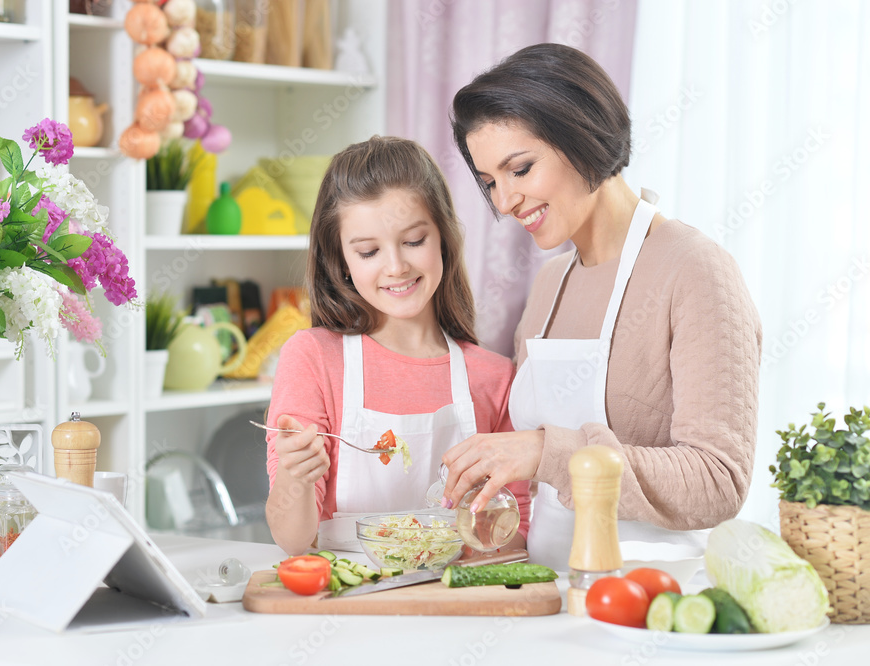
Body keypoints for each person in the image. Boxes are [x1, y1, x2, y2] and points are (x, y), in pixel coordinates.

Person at [442, 43, 762, 570]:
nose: (503, 202)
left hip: (648, 602)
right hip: (548, 593)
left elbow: (717, 480)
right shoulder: (549, 286)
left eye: (519, 169)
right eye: (490, 183)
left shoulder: (696, 270)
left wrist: (547, 453)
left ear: (581, 135)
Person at [264, 136, 531, 556]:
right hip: (349, 609)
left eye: (413, 241)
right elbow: (291, 538)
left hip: (454, 608)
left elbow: (516, 538)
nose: (395, 267)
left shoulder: (495, 378)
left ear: (442, 237)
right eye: (368, 251)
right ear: (343, 262)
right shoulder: (313, 358)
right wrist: (296, 479)